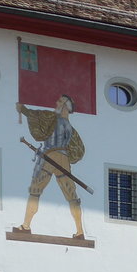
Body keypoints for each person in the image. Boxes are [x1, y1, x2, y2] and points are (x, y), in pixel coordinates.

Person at [15, 96, 86, 238]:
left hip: (50, 156)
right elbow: (78, 150)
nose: (56, 103)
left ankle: (26, 226)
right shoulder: (71, 129)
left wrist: (23, 109)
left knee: (36, 189)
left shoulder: (52, 118)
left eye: (60, 102)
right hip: (64, 159)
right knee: (72, 195)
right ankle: (80, 232)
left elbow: (35, 115)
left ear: (66, 106)